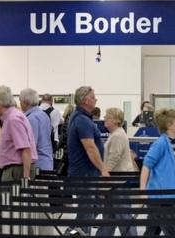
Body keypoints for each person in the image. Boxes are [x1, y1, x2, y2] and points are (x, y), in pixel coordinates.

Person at [65, 86, 108, 236]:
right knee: (87, 209)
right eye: (93, 97)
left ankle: (74, 231)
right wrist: (103, 169)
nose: (95, 99)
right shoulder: (82, 120)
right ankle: (75, 232)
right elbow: (90, 147)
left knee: (91, 207)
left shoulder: (80, 117)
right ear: (85, 100)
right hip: (85, 174)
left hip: (86, 173)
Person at [95, 108, 138, 236]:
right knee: (110, 218)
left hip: (118, 182)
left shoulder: (118, 136)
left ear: (116, 120)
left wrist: (104, 174)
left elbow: (114, 158)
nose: (105, 118)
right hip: (115, 182)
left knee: (123, 217)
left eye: (108, 116)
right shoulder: (116, 134)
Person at [0, 86, 37, 182]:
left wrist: (25, 177)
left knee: (10, 197)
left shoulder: (13, 119)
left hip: (16, 170)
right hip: (16, 169)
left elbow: (25, 148)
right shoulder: (12, 117)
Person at [19, 88, 53, 171]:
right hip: (47, 161)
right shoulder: (44, 115)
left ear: (25, 102)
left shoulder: (31, 119)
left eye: (20, 101)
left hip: (37, 164)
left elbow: (31, 145)